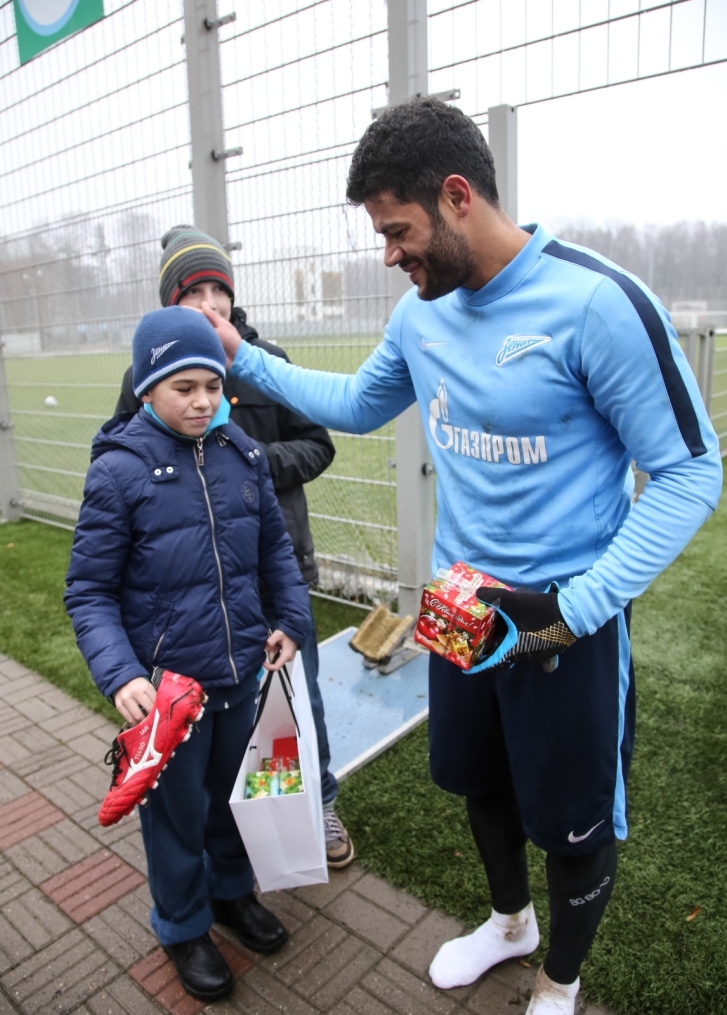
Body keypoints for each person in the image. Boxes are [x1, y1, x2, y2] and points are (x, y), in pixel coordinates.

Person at [196, 98, 723, 1014]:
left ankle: (559, 979)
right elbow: (360, 400)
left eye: (398, 231)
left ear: (455, 197)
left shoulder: (596, 303)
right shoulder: (422, 315)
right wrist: (243, 359)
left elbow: (688, 472)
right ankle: (508, 922)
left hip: (564, 611)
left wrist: (577, 605)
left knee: (572, 814)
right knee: (477, 778)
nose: (390, 254)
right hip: (455, 598)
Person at [65, 306, 312, 1001]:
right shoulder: (117, 473)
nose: (204, 400)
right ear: (146, 387)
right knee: (174, 815)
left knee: (239, 800)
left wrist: (290, 618)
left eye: (213, 384)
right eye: (184, 387)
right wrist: (120, 676)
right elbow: (87, 591)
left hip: (244, 675)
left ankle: (231, 892)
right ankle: (182, 923)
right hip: (171, 696)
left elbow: (273, 552)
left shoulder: (243, 454)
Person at [115, 225, 354, 868]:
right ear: (172, 302)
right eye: (196, 291)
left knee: (297, 692)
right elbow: (121, 452)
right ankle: (235, 843)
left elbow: (319, 443)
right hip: (196, 584)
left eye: (220, 288)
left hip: (274, 566)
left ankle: (321, 801)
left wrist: (250, 464)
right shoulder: (151, 371)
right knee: (224, 722)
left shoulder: (261, 360)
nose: (212, 302)